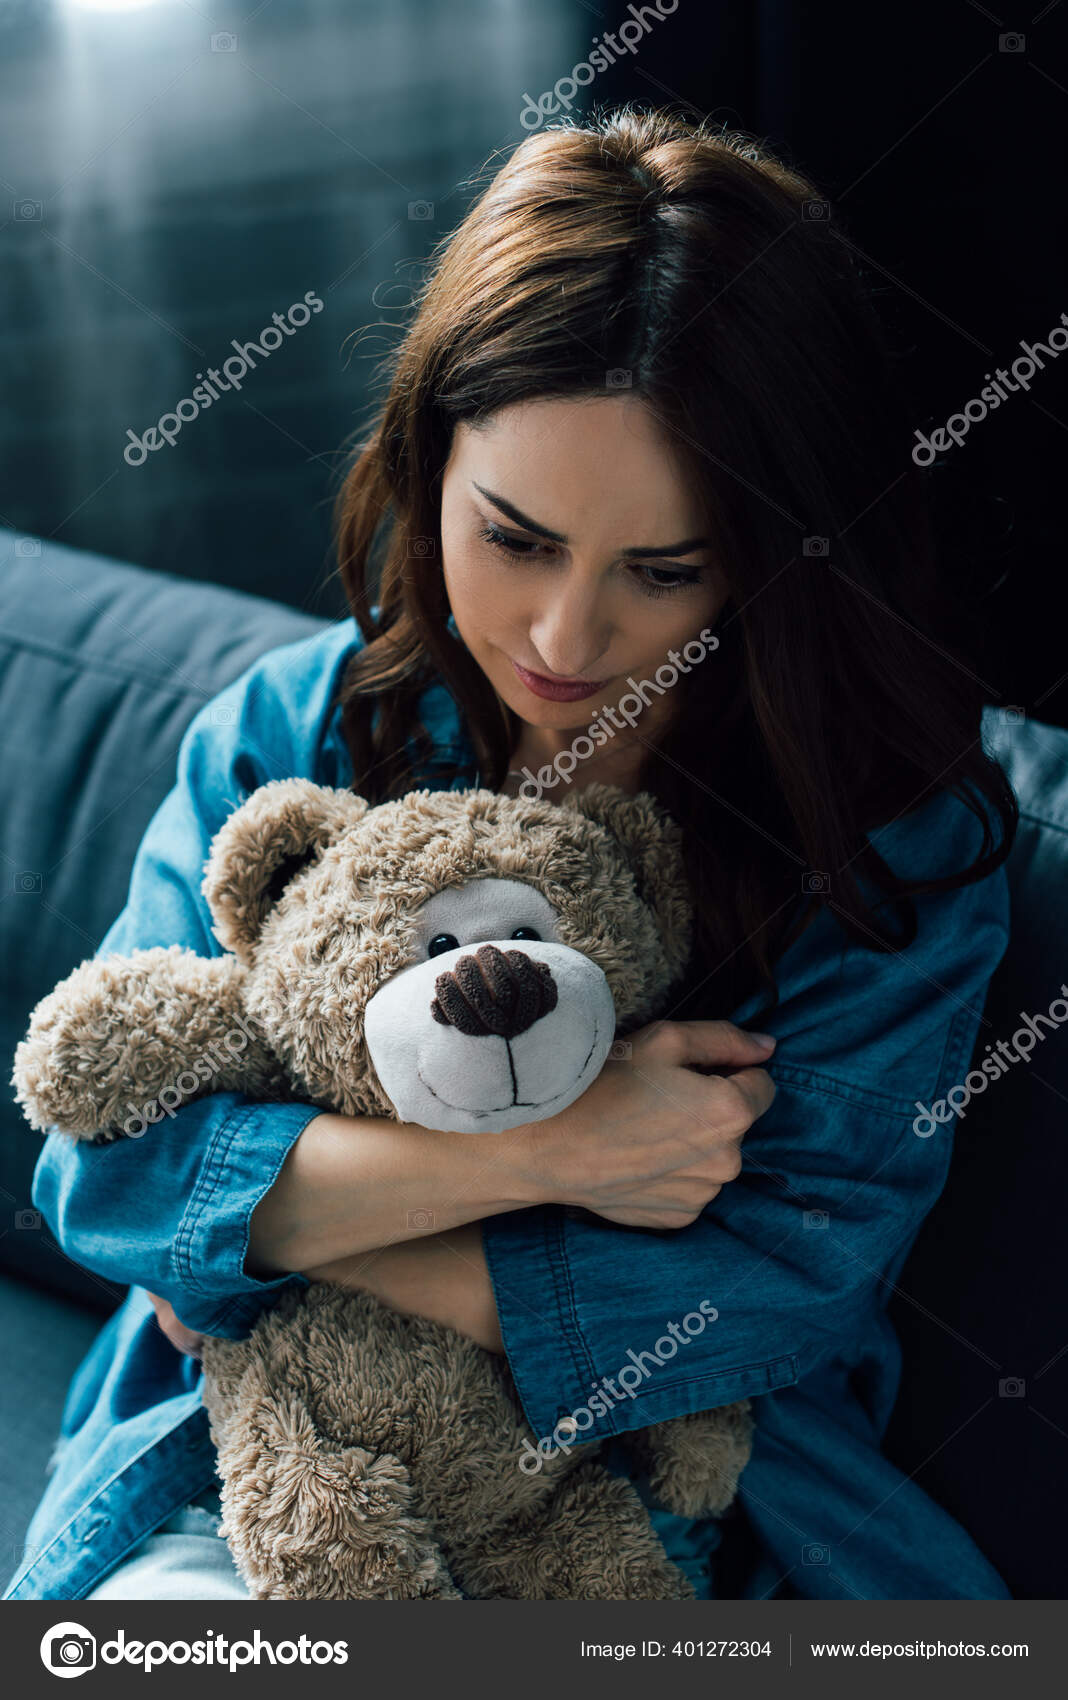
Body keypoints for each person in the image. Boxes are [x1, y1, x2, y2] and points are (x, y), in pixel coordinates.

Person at [6, 107, 1017, 1602]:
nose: (566, 640)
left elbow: (769, 1295)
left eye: (664, 572)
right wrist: (570, 1148)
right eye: (516, 538)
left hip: (671, 1520)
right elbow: (110, 1179)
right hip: (257, 1481)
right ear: (426, 465)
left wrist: (280, 1242)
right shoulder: (288, 731)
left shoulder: (893, 843)